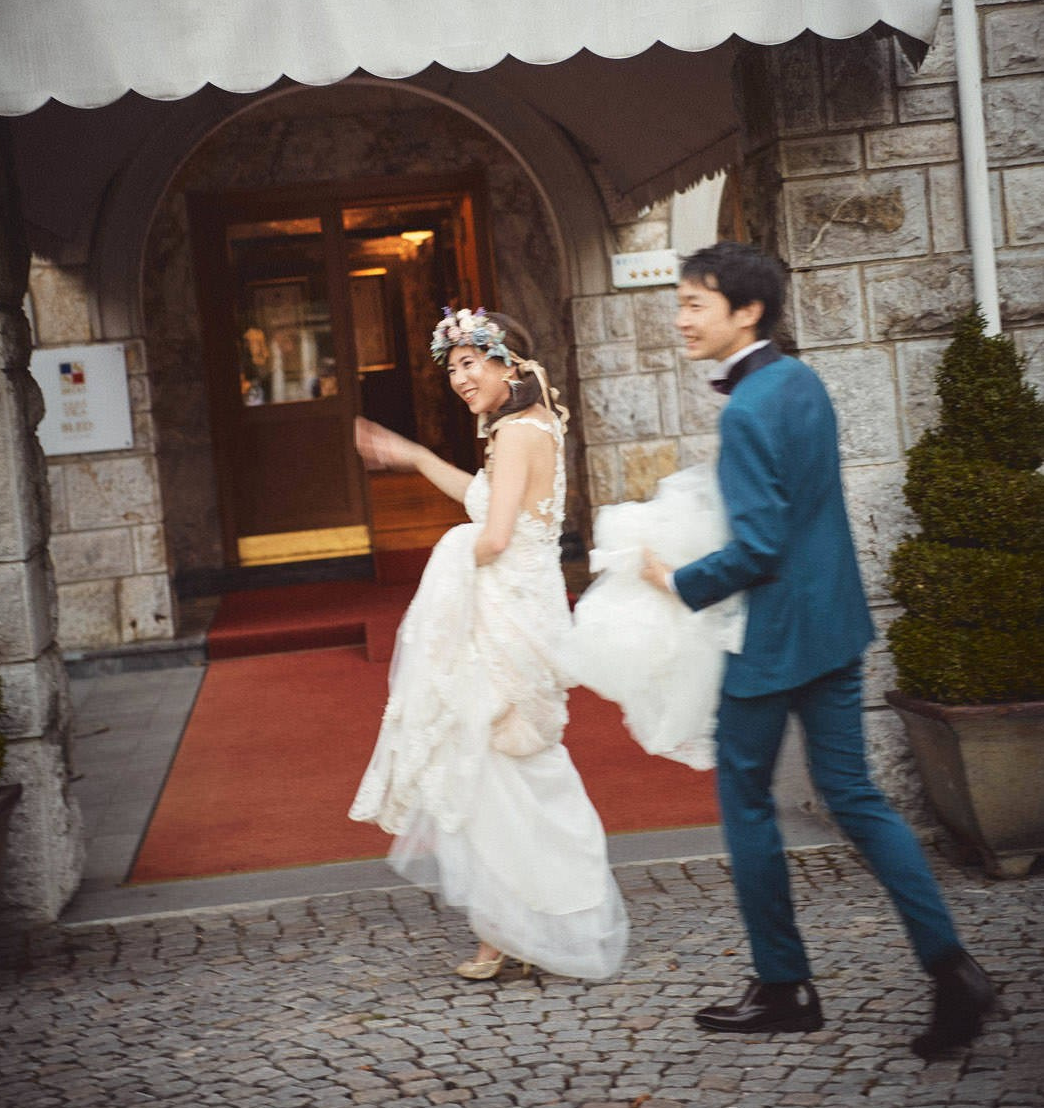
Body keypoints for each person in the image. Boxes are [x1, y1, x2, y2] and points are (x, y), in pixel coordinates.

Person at [641, 242, 1001, 1058]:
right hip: (833, 625)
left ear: (746, 312)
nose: (681, 318)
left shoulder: (746, 408)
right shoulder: (800, 380)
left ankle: (783, 986)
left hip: (770, 642)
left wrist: (677, 580)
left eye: (694, 302)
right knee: (856, 797)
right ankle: (951, 969)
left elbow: (759, 545)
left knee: (745, 802)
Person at [350, 307, 628, 983]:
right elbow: (487, 500)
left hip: (506, 619)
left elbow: (495, 537)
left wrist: (443, 563)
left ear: (509, 362)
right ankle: (507, 927)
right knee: (498, 767)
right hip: (519, 608)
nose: (460, 379)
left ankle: (531, 923)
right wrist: (417, 457)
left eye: (470, 363)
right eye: (452, 368)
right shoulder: (531, 425)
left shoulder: (514, 432)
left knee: (504, 767)